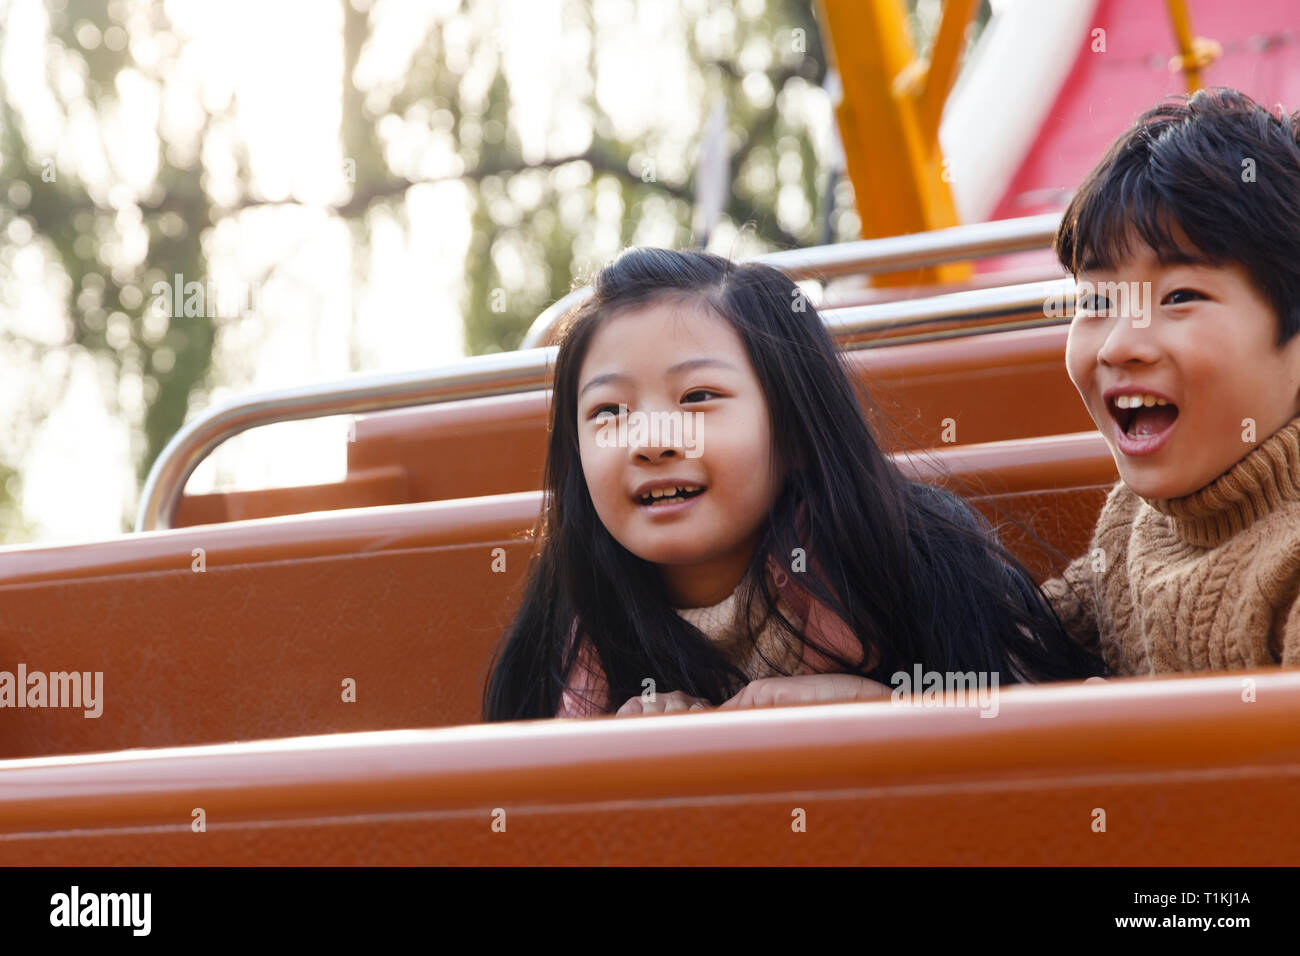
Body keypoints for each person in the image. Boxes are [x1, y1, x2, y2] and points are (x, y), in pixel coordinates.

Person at [482, 247, 1102, 721]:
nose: (651, 439)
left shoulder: (901, 562)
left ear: (796, 430)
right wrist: (622, 760)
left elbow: (1040, 742)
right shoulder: (577, 632)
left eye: (698, 397)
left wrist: (879, 711)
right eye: (608, 413)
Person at [1042, 88, 1300, 674]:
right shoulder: (1132, 522)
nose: (1118, 345)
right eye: (1098, 300)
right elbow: (1018, 640)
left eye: (1180, 296)